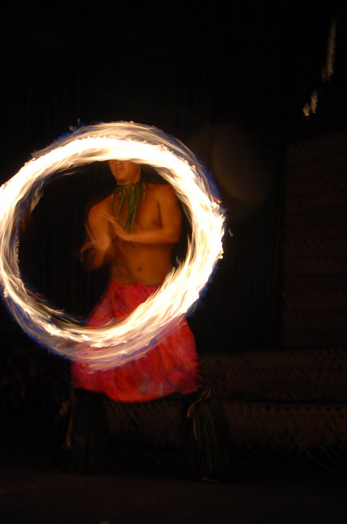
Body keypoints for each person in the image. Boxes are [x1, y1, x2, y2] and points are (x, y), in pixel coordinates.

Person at [55, 160, 232, 479]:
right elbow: (96, 259)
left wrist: (127, 234)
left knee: (186, 369)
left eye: (124, 157)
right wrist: (100, 249)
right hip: (117, 299)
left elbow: (172, 233)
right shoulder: (100, 209)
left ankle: (206, 459)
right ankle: (86, 456)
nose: (118, 164)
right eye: (112, 158)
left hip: (155, 303)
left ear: (138, 158)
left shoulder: (162, 194)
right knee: (85, 366)